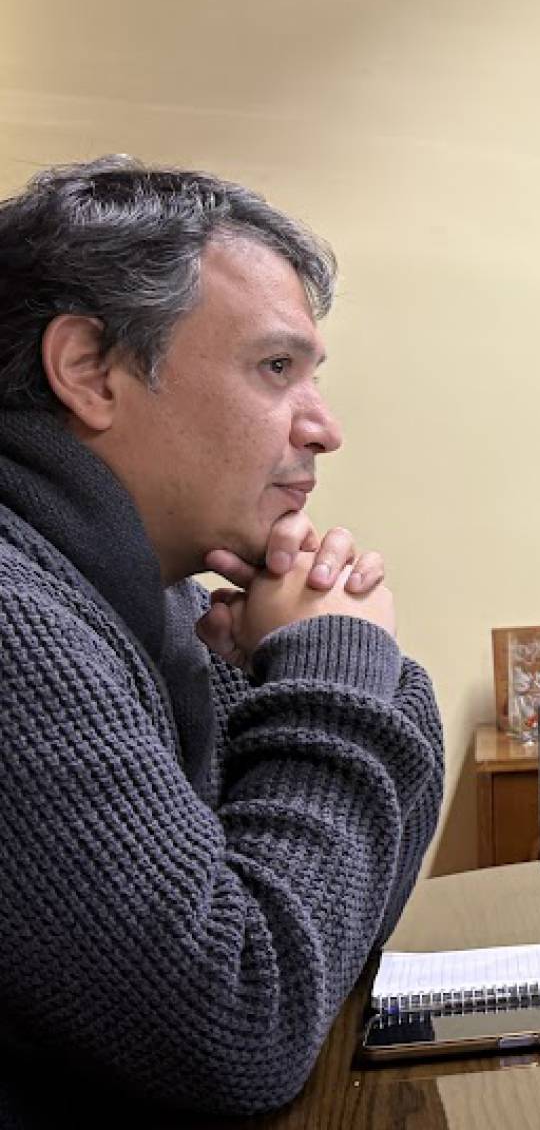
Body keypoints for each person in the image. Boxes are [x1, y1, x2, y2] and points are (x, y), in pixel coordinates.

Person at [0, 158, 445, 1117]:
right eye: (275, 368)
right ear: (89, 370)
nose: (323, 428)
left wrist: (314, 666)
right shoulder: (15, 620)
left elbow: (336, 929)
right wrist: (339, 672)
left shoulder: (149, 596)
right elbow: (246, 1024)